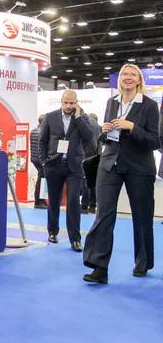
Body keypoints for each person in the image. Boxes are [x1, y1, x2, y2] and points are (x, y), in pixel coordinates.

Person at [83, 64, 160, 283]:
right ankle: (99, 267)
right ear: (120, 80)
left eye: (132, 74)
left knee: (142, 217)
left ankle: (143, 262)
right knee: (103, 215)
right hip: (110, 165)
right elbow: (108, 139)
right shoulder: (112, 102)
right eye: (124, 74)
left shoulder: (149, 106)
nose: (127, 77)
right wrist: (105, 133)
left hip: (139, 167)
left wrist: (131, 127)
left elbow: (154, 141)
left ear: (139, 80)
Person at [39, 89, 94, 252]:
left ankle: (75, 239)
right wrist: (44, 162)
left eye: (72, 103)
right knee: (54, 200)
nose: (68, 106)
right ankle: (52, 232)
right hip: (54, 165)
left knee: (73, 201)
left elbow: (89, 137)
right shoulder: (50, 117)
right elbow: (42, 141)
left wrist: (78, 117)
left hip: (74, 167)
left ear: (76, 103)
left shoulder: (82, 118)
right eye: (66, 103)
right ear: (61, 102)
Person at [81, 113, 101, 214]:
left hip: (87, 154)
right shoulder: (97, 125)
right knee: (93, 180)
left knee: (85, 181)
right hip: (96, 155)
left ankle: (84, 206)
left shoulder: (85, 122)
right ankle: (92, 205)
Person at [30, 114, 47, 209]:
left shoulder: (33, 131)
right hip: (41, 159)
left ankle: (41, 200)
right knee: (42, 180)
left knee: (41, 179)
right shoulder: (43, 132)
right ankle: (39, 201)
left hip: (35, 158)